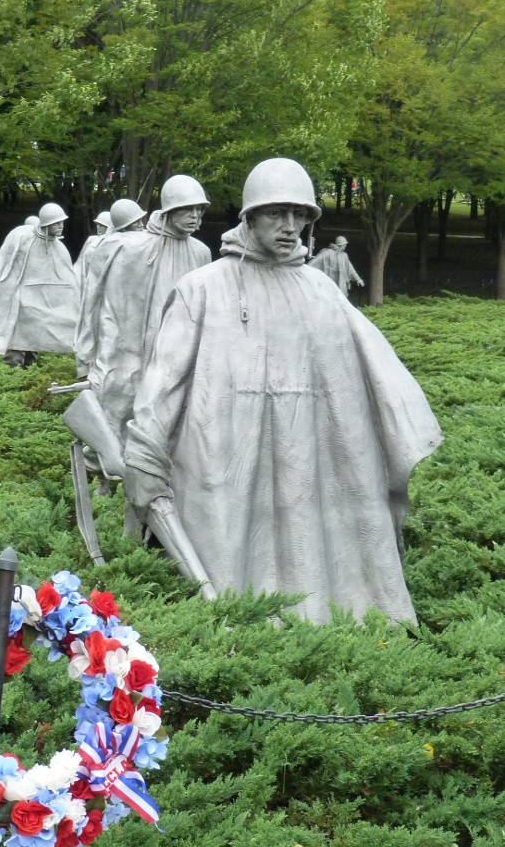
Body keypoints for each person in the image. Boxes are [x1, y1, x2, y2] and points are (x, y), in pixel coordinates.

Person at [124, 158, 442, 625]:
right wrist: (144, 455)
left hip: (309, 464)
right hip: (224, 463)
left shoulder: (321, 290)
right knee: (233, 565)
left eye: (300, 215)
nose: (290, 226)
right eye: (276, 213)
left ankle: (323, 627)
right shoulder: (202, 289)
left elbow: (369, 389)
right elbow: (162, 385)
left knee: (308, 557)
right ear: (249, 218)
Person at [74, 177, 210, 450]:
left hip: (177, 348)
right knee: (120, 401)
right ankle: (105, 467)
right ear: (169, 210)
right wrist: (92, 347)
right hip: (130, 347)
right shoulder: (130, 246)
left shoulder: (201, 252)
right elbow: (98, 297)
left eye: (199, 210)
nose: (194, 216)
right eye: (187, 209)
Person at [0, 203, 79, 367]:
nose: (61, 226)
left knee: (33, 342)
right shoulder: (22, 237)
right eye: (57, 223)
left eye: (62, 222)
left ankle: (28, 374)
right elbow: (1, 260)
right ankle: (11, 378)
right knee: (15, 344)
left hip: (38, 303)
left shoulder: (59, 248)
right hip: (17, 299)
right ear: (47, 223)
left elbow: (68, 280)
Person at [73, 211, 112, 291]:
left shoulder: (113, 242)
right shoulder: (91, 240)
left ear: (109, 227)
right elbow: (80, 262)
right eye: (98, 225)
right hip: (89, 279)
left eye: (102, 225)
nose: (99, 228)